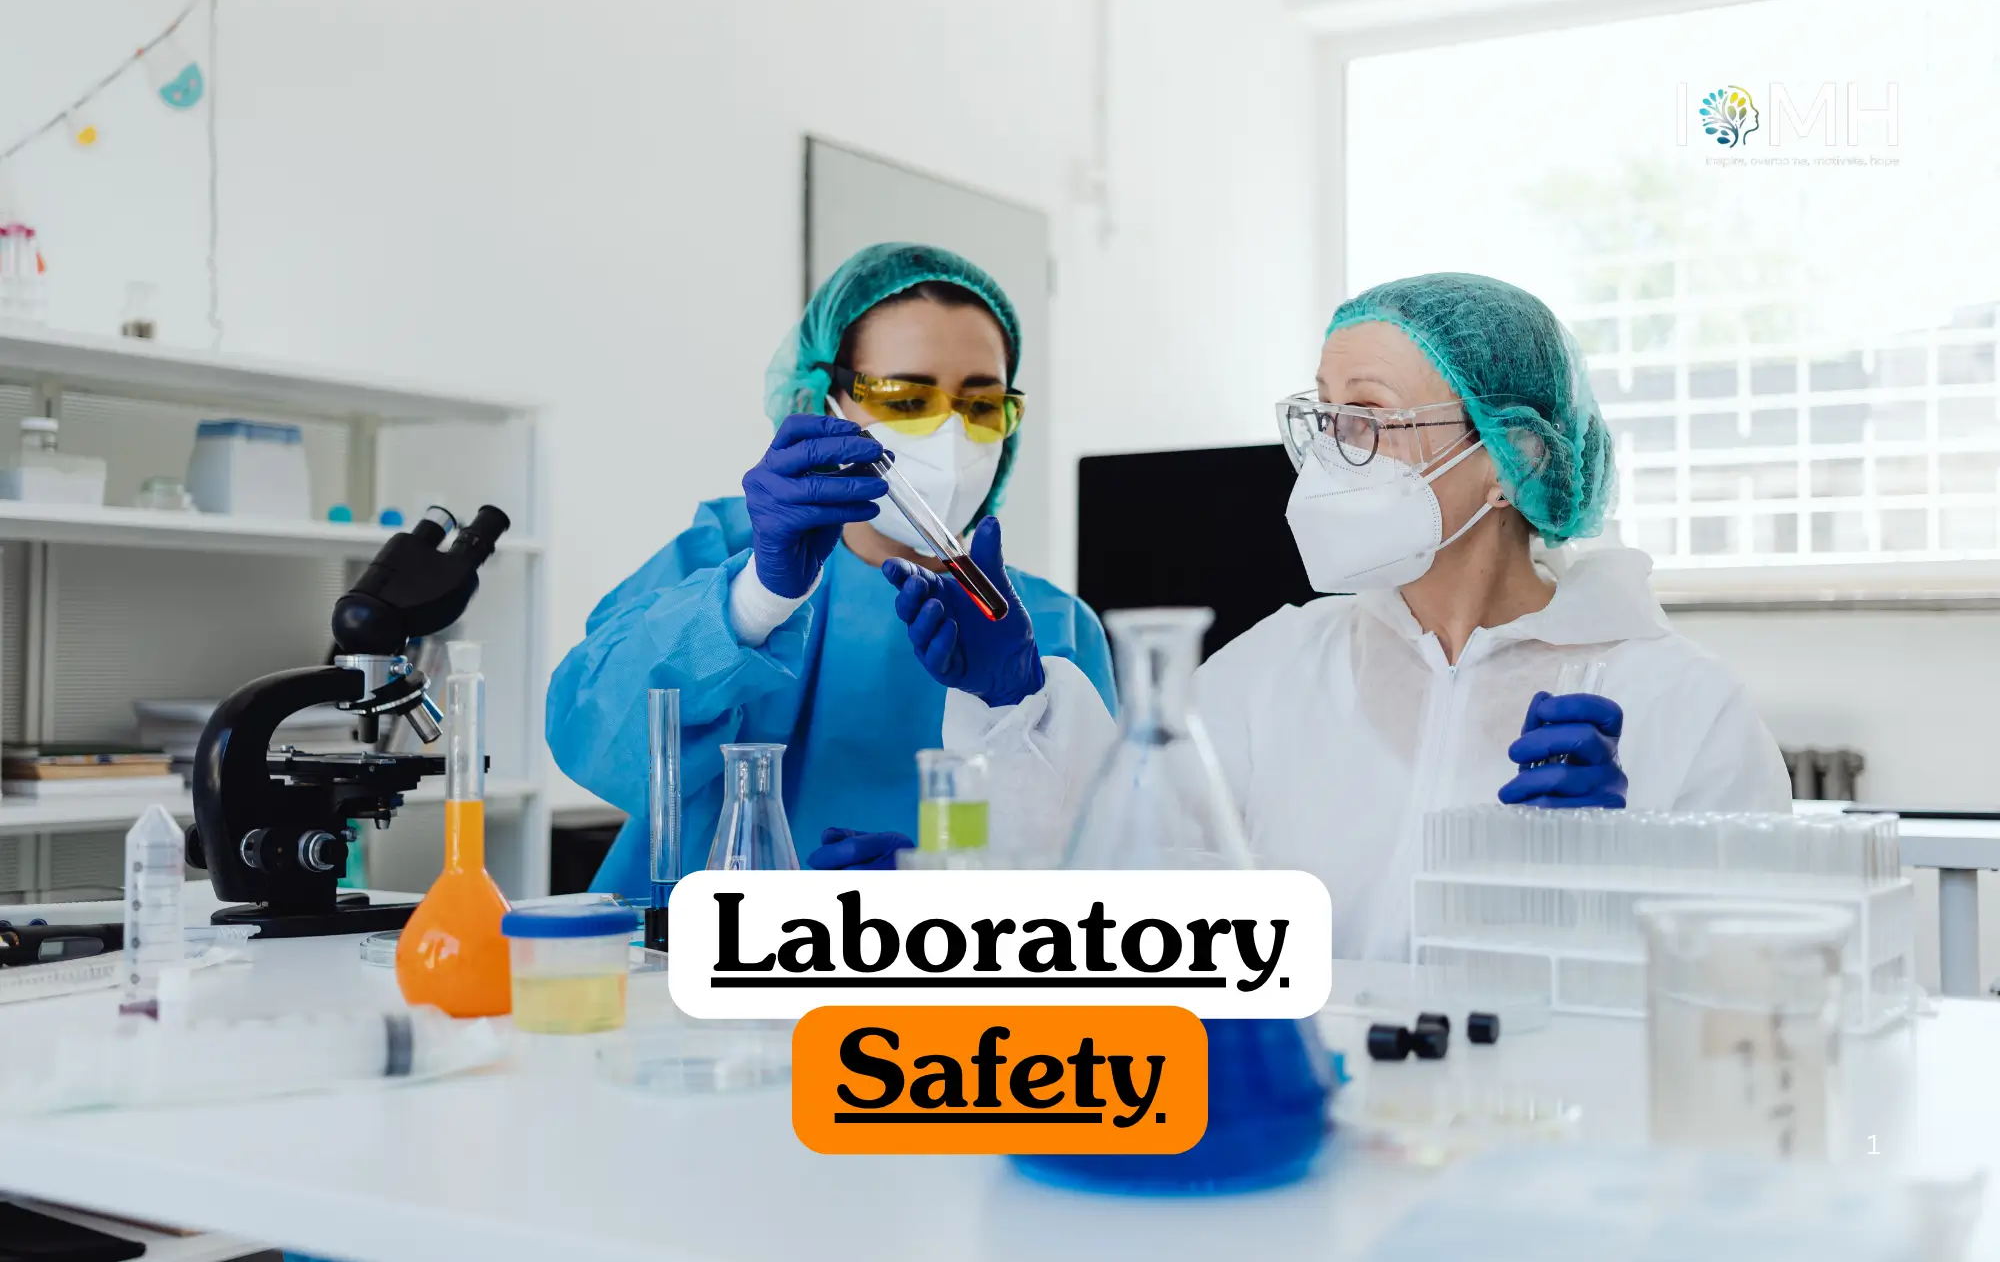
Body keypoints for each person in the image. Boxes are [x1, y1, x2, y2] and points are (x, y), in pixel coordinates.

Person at [885, 271, 1791, 958]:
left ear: (1509, 454)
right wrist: (1020, 707)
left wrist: (1632, 867)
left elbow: (1773, 973)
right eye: (1321, 419)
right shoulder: (1272, 669)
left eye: (1365, 419)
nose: (1326, 456)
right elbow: (1126, 893)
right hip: (1322, 1141)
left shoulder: (1679, 700)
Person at [548, 243, 1114, 890]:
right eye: (906, 399)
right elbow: (593, 737)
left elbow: (1106, 869)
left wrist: (947, 888)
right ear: (823, 403)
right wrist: (755, 599)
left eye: (981, 406)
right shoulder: (725, 556)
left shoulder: (1049, 626)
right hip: (689, 964)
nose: (951, 436)